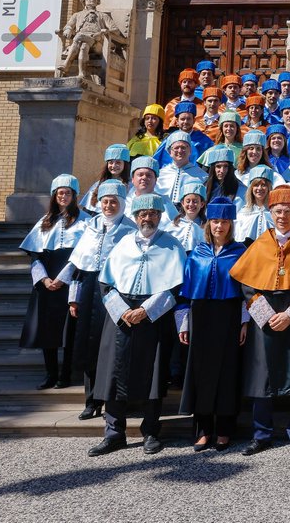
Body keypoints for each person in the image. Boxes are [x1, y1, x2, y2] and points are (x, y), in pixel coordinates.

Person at [229, 185, 290, 456]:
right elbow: (248, 286)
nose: (282, 216)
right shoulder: (260, 244)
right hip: (266, 320)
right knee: (262, 377)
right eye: (277, 211)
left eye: (287, 211)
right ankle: (261, 433)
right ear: (270, 213)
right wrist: (268, 315)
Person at [87, 193, 186, 457]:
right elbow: (105, 282)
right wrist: (123, 311)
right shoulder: (123, 244)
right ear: (135, 216)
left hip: (153, 316)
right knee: (113, 373)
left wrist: (145, 310)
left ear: (160, 216)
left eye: (153, 213)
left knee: (153, 374)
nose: (148, 218)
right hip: (120, 315)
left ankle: (151, 431)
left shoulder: (172, 245)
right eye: (143, 214)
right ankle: (113, 433)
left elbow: (176, 286)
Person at [177, 196, 247, 452]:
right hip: (201, 316)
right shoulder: (197, 253)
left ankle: (225, 430)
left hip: (229, 316)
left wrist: (244, 322)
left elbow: (246, 291)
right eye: (215, 221)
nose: (220, 226)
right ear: (209, 223)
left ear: (231, 225)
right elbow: (186, 290)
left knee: (227, 372)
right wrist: (184, 323)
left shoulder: (240, 252)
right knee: (201, 372)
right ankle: (204, 430)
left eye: (224, 222)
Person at [66, 180, 135, 420]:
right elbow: (78, 266)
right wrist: (73, 299)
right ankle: (92, 400)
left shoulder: (130, 229)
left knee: (115, 347)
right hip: (89, 290)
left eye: (113, 202)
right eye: (105, 201)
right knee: (89, 344)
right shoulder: (91, 226)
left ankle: (116, 402)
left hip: (117, 291)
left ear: (122, 203)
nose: (108, 206)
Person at [20, 174, 90, 390]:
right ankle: (50, 374)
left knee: (69, 331)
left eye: (68, 193)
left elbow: (82, 254)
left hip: (71, 281)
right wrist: (44, 279)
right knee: (47, 330)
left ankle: (65, 375)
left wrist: (62, 278)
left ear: (74, 196)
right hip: (46, 283)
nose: (63, 196)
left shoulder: (86, 221)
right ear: (54, 195)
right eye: (60, 193)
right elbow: (35, 255)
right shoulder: (45, 221)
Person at [83, 144, 131, 213]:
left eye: (118, 162)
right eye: (111, 162)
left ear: (125, 164)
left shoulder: (131, 186)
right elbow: (88, 210)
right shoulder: (98, 185)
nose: (113, 166)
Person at [235, 166, 276, 243]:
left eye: (263, 185)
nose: (259, 188)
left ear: (269, 187)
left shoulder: (275, 212)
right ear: (251, 188)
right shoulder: (243, 213)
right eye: (256, 185)